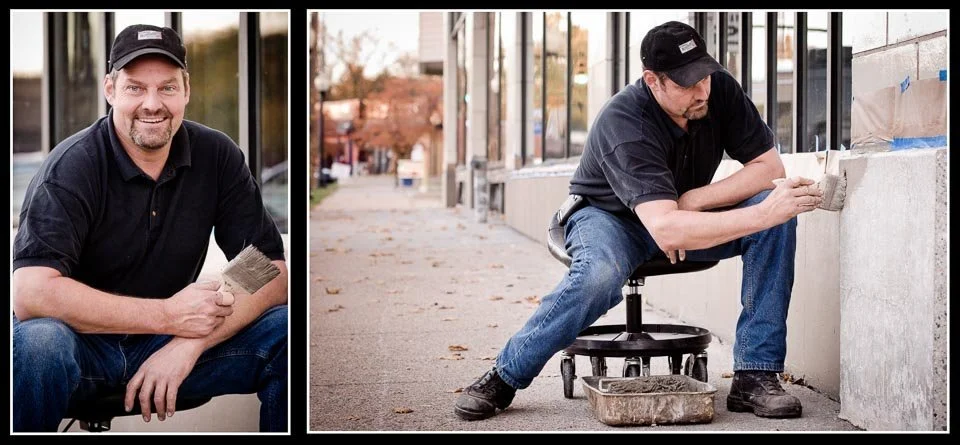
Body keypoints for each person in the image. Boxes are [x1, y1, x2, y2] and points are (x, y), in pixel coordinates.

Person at [454, 21, 822, 421]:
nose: (701, 91)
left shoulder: (718, 90)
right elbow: (665, 227)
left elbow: (768, 168)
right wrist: (759, 213)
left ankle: (755, 374)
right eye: (686, 83)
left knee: (774, 214)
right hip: (610, 218)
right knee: (598, 275)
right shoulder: (625, 121)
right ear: (653, 80)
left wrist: (697, 198)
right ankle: (505, 375)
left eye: (704, 77)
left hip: (676, 212)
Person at [13, 24, 288, 432]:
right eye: (136, 88)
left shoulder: (216, 156)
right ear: (111, 90)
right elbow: (30, 294)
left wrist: (187, 342)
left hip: (171, 343)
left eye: (167, 88)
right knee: (39, 343)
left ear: (186, 91)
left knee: (287, 332)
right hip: (81, 347)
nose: (152, 104)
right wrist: (168, 315)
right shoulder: (73, 166)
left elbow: (270, 270)